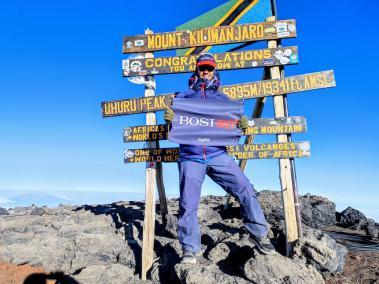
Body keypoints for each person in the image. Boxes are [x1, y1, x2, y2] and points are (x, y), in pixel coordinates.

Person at [164, 53, 275, 264]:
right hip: (191, 157)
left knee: (245, 189)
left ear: (215, 70)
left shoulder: (223, 100)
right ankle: (190, 249)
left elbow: (229, 127)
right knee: (188, 204)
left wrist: (238, 123)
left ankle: (259, 234)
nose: (205, 71)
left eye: (209, 68)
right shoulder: (182, 98)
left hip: (218, 154)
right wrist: (170, 120)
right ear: (196, 70)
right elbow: (174, 129)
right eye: (202, 68)